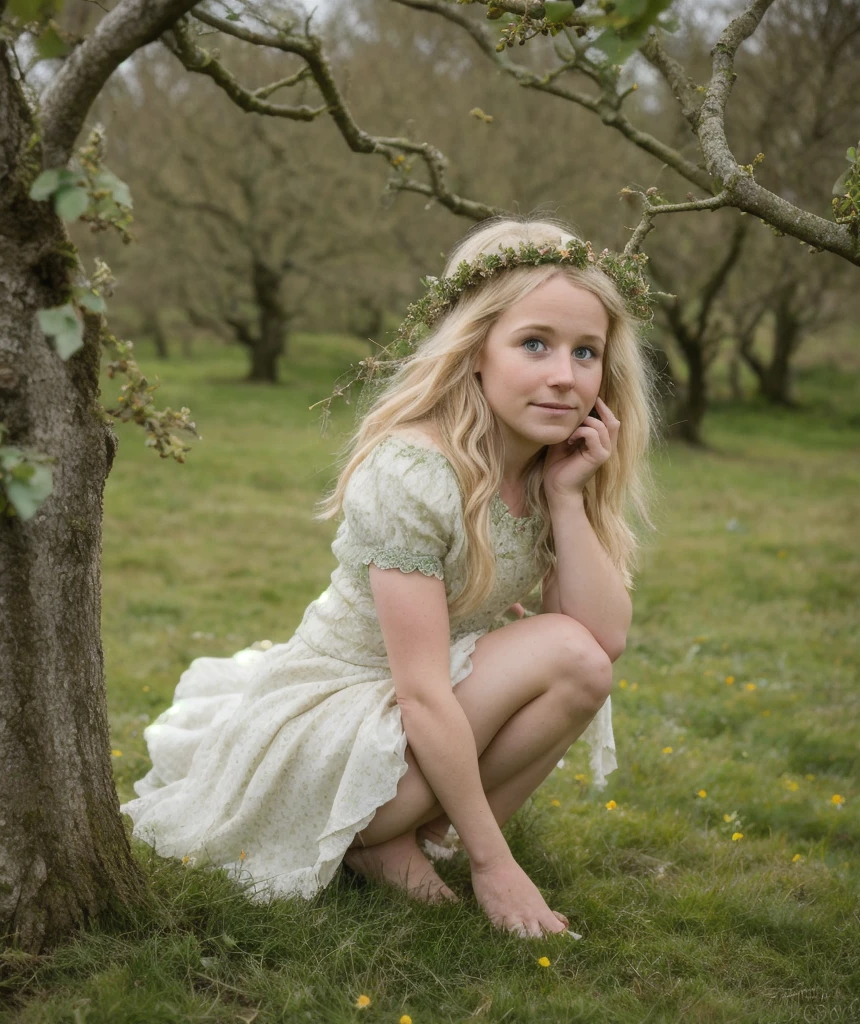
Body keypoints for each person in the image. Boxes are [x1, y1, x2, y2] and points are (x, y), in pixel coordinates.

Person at [120, 215, 659, 939]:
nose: (565, 376)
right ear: (476, 351)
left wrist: (567, 499)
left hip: (418, 710)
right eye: (535, 344)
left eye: (585, 352)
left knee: (581, 661)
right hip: (341, 712)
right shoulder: (414, 471)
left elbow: (605, 635)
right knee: (564, 652)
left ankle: (410, 839)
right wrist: (497, 866)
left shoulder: (548, 466)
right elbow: (421, 689)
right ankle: (393, 840)